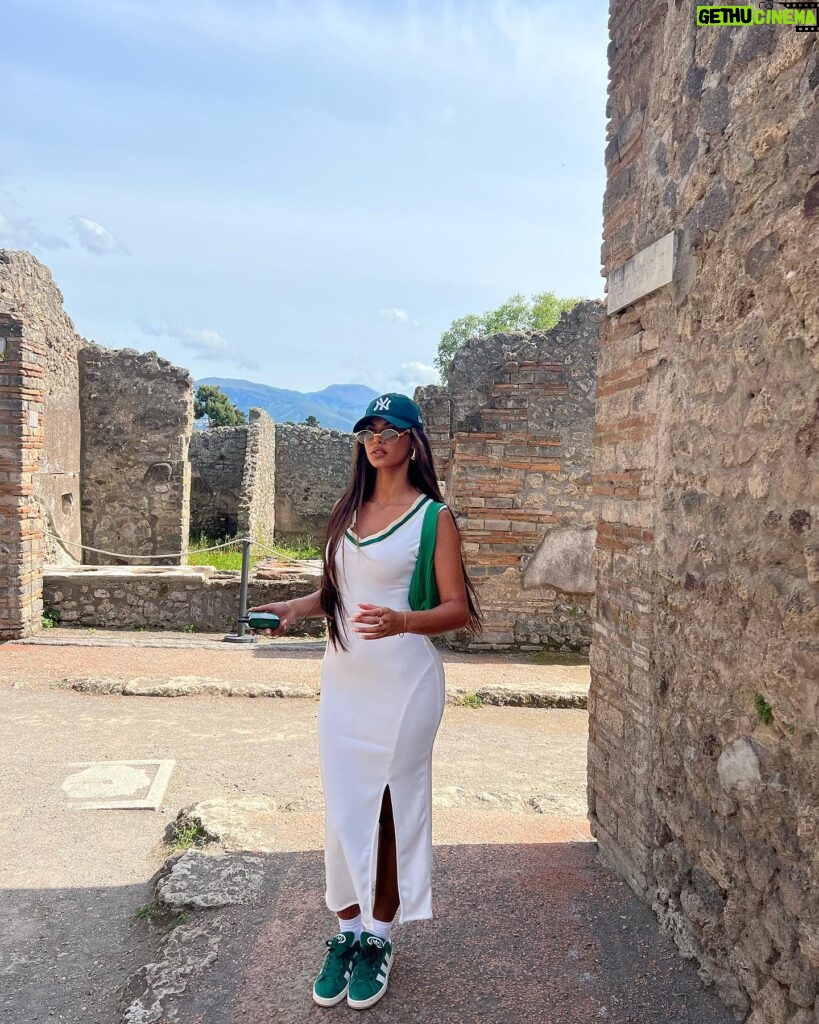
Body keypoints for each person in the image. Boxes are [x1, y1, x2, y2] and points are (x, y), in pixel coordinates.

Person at [249, 392, 481, 1011]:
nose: (376, 439)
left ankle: (379, 936)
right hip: (346, 682)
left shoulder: (435, 517)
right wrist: (294, 609)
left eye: (389, 429)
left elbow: (458, 609)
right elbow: (339, 591)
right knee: (343, 804)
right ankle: (346, 930)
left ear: (412, 440)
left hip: (404, 684)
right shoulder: (348, 510)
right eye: (366, 430)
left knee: (388, 809)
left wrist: (404, 623)